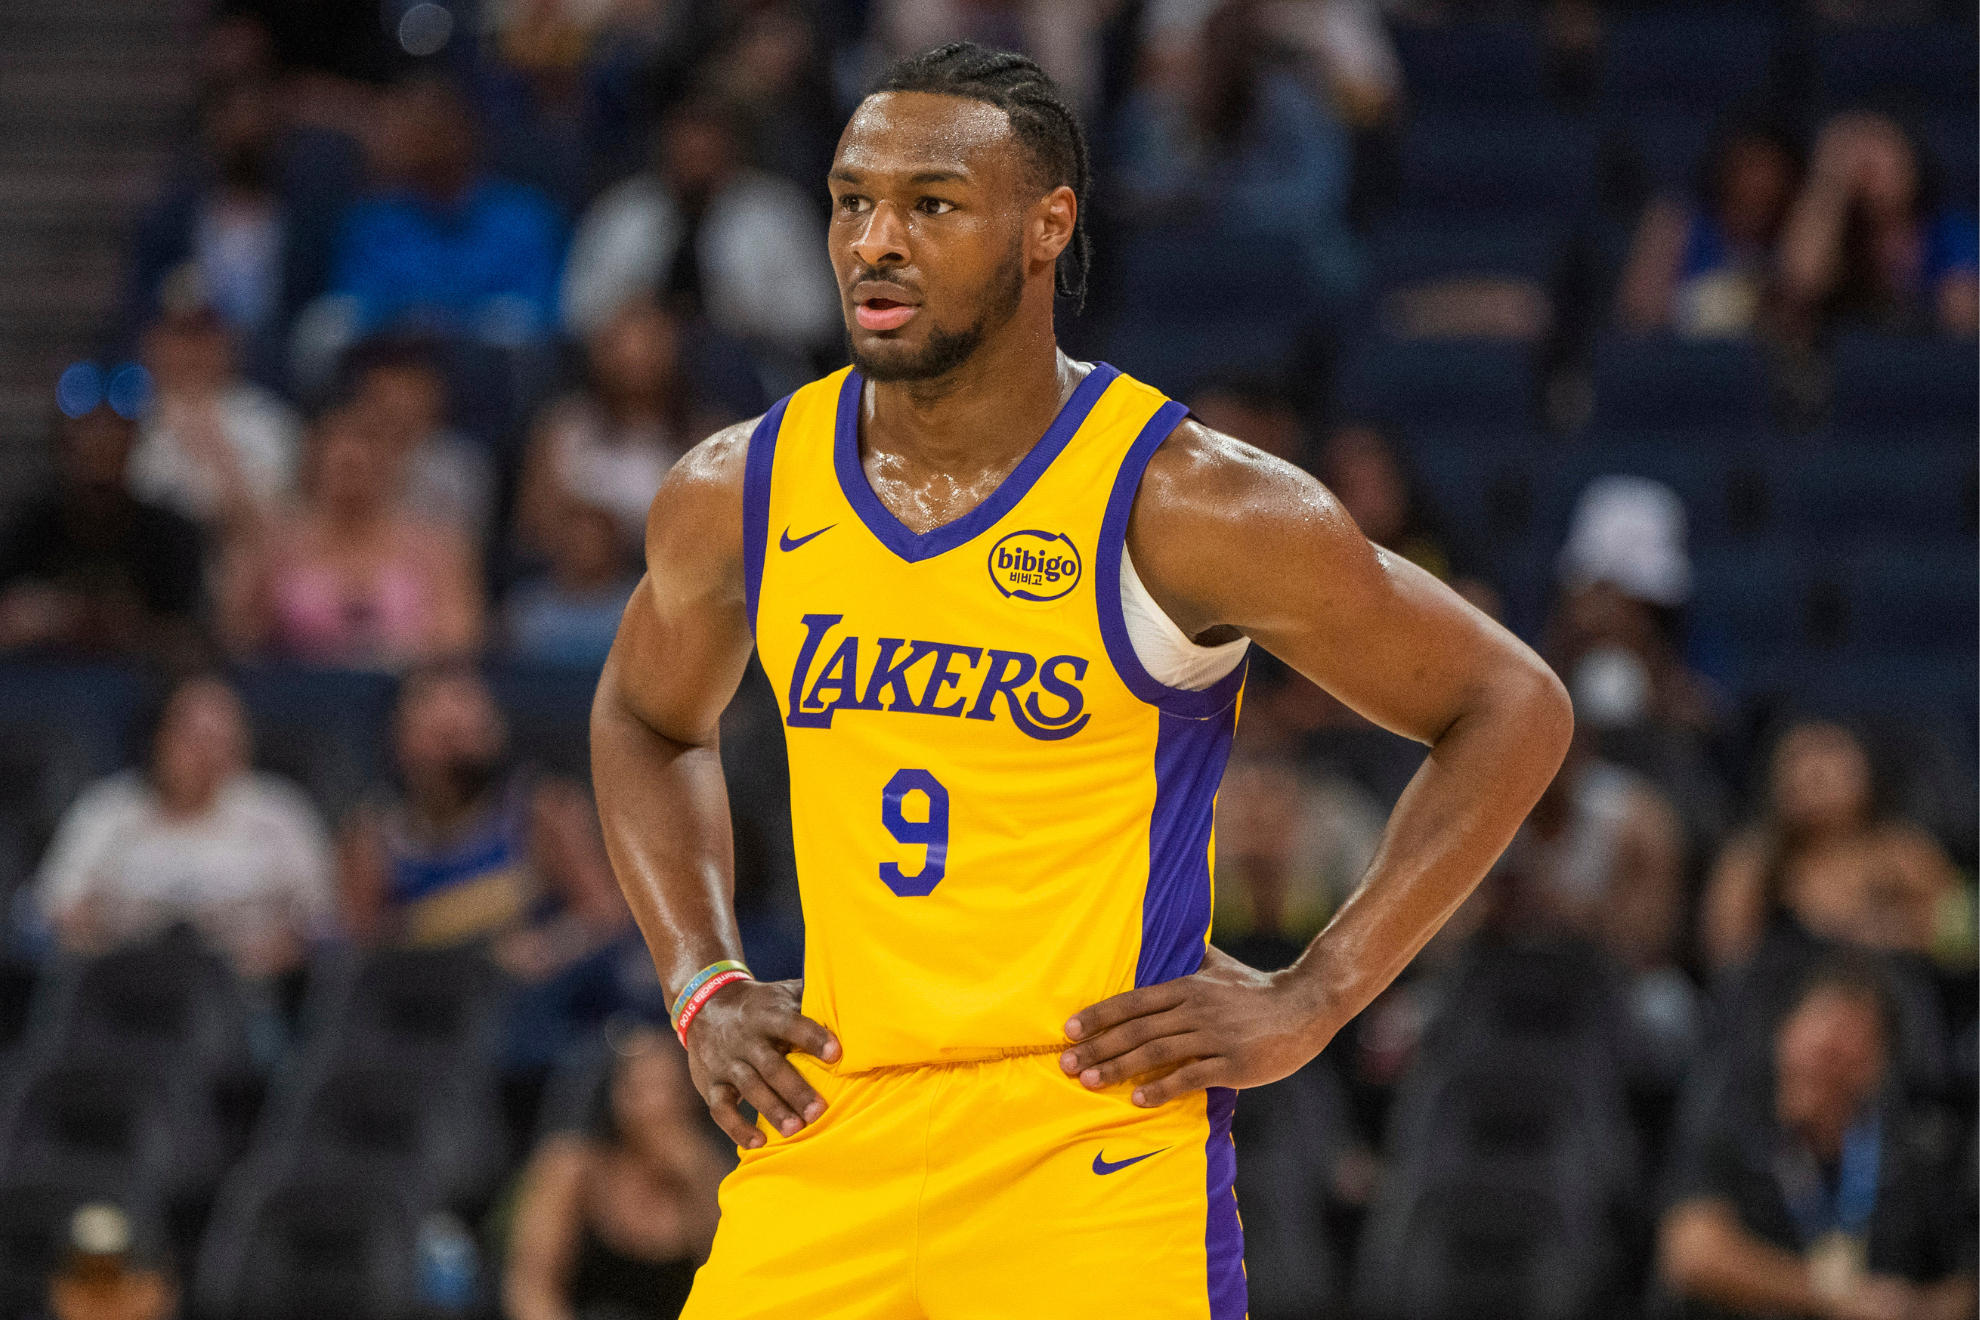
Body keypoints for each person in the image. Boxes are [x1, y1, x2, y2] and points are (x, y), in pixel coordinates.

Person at [589, 42, 1572, 1317]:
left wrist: (1321, 990)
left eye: (931, 205)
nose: (875, 242)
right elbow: (640, 715)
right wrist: (702, 979)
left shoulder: (1191, 500)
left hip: (1090, 1147)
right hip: (829, 1128)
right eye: (850, 201)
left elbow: (1512, 706)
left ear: (1047, 224)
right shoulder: (738, 490)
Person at [1658, 956, 1977, 1320]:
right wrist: (1834, 1298)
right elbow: (1691, 1253)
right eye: (1810, 1045)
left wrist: (1911, 1308)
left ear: (1875, 1068)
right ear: (1782, 1034)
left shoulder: (1914, 1161)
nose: (1816, 1063)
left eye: (1835, 1059)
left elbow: (1963, 1287)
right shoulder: (1734, 1128)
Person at [338, 663, 630, 1016]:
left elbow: (606, 915)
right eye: (441, 730)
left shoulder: (543, 810)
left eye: (471, 715)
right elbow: (361, 953)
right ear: (401, 738)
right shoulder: (373, 834)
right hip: (424, 1015)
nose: (459, 726)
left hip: (534, 1007)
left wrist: (551, 947)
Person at [30, 674, 335, 981]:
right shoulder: (108, 809)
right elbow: (51, 910)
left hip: (248, 995)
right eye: (194, 737)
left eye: (221, 741)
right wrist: (91, 938)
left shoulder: (279, 813)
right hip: (121, 988)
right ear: (160, 738)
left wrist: (282, 951)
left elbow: (324, 923)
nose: (206, 754)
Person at [559, 98, 839, 366]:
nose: (695, 167)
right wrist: (632, 309)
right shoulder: (624, 212)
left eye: (705, 155)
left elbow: (819, 318)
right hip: (639, 368)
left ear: (731, 152)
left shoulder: (776, 212)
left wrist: (742, 312)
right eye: (685, 155)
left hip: (755, 365)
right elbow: (573, 313)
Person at [215, 404, 485, 667]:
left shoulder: (439, 546)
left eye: (368, 451)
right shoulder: (272, 542)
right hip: (296, 694)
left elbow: (459, 643)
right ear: (315, 462)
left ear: (393, 464)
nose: (356, 460)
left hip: (407, 693)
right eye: (342, 456)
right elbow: (237, 638)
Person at [503, 1023, 728, 1320]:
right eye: (641, 1090)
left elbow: (728, 1283)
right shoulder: (572, 1168)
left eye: (671, 1089)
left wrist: (698, 1173)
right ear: (616, 1096)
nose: (659, 1105)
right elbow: (530, 1289)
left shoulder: (712, 1175)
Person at [1703, 721, 1955, 973]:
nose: (1812, 770)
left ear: (1864, 769)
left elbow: (1954, 936)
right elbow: (1727, 958)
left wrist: (1892, 933)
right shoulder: (1752, 860)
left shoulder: (1902, 852)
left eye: (1828, 754)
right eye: (1797, 757)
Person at [326, 76, 563, 344]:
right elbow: (354, 305)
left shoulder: (523, 217)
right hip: (395, 356)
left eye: (420, 125)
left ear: (460, 130)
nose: (400, 137)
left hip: (494, 364)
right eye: (398, 126)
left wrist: (457, 324)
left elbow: (539, 312)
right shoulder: (373, 222)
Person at [515, 296, 719, 558]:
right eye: (623, 343)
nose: (635, 356)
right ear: (598, 352)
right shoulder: (562, 429)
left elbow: (719, 532)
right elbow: (534, 525)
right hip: (579, 586)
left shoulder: (707, 438)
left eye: (649, 343)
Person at [0, 402, 205, 660]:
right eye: (87, 432)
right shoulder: (32, 525)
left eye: (113, 435)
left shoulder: (169, 533)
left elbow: (191, 633)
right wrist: (37, 615)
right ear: (63, 448)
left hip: (142, 680)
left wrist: (109, 622)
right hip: (37, 679)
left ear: (133, 447)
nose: (100, 445)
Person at [1774, 111, 1979, 343]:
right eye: (1859, 162)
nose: (1870, 173)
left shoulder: (1949, 227)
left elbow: (1963, 319)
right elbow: (1801, 285)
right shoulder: (1838, 232)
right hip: (1850, 363)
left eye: (1882, 158)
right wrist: (1830, 185)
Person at [1617, 122, 1802, 338]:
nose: (1758, 183)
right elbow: (1638, 317)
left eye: (1770, 171)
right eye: (1749, 167)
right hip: (1683, 365)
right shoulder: (1676, 223)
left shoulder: (1797, 238)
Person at [129, 301, 301, 533]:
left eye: (202, 336)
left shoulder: (269, 421)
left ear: (228, 343)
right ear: (154, 343)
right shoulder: (130, 424)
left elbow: (276, 519)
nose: (191, 350)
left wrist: (208, 440)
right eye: (179, 336)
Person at [341, 339, 495, 546]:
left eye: (410, 389)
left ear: (434, 397)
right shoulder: (344, 451)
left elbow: (461, 548)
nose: (397, 401)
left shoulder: (461, 467)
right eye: (385, 389)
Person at [505, 492, 642, 669]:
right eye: (576, 539)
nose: (584, 548)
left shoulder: (637, 610)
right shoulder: (529, 611)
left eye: (594, 540)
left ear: (613, 546)